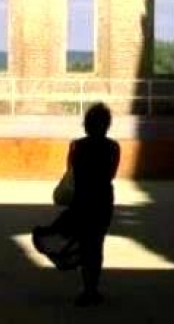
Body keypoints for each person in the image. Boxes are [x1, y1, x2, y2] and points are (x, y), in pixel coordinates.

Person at [33, 102, 121, 307]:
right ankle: (91, 290)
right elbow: (111, 174)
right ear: (107, 125)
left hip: (82, 201)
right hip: (101, 202)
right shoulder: (113, 147)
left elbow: (70, 173)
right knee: (95, 246)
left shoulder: (77, 146)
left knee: (85, 243)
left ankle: (88, 289)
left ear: (86, 124)